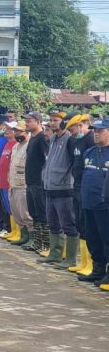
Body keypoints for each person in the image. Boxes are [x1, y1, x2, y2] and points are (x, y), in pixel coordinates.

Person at [39, 110, 79, 267]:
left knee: (68, 224)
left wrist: (65, 180)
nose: (51, 123)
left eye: (55, 120)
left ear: (64, 122)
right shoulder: (53, 139)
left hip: (64, 189)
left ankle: (70, 258)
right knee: (53, 223)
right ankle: (55, 254)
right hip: (50, 188)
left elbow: (74, 163)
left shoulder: (69, 140)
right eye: (51, 120)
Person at [78, 119, 109, 286]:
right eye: (95, 130)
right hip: (88, 202)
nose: (96, 134)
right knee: (92, 238)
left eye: (101, 130)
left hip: (104, 205)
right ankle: (98, 270)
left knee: (106, 239)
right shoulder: (89, 152)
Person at [68, 115, 96, 275]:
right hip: (77, 185)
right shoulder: (76, 140)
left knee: (87, 225)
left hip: (87, 187)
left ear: (80, 125)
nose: (72, 133)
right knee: (79, 223)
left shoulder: (90, 140)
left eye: (72, 129)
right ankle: (84, 262)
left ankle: (91, 264)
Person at [21, 111, 50, 254]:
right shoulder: (32, 138)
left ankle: (46, 244)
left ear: (38, 122)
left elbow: (47, 159)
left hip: (39, 182)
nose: (26, 124)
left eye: (29, 121)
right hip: (30, 181)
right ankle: (38, 242)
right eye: (26, 121)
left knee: (42, 213)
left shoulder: (42, 138)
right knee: (34, 213)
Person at [7, 122, 33, 247]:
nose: (17, 134)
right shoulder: (15, 146)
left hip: (23, 184)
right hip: (13, 183)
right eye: (15, 131)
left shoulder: (29, 146)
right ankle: (23, 235)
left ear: (27, 132)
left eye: (19, 131)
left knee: (25, 213)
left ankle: (32, 237)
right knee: (16, 212)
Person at [0, 121, 18, 242]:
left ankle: (16, 230)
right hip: (3, 180)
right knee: (6, 205)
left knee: (13, 206)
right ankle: (13, 230)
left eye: (10, 129)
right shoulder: (7, 144)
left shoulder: (16, 144)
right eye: (6, 128)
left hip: (11, 182)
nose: (6, 130)